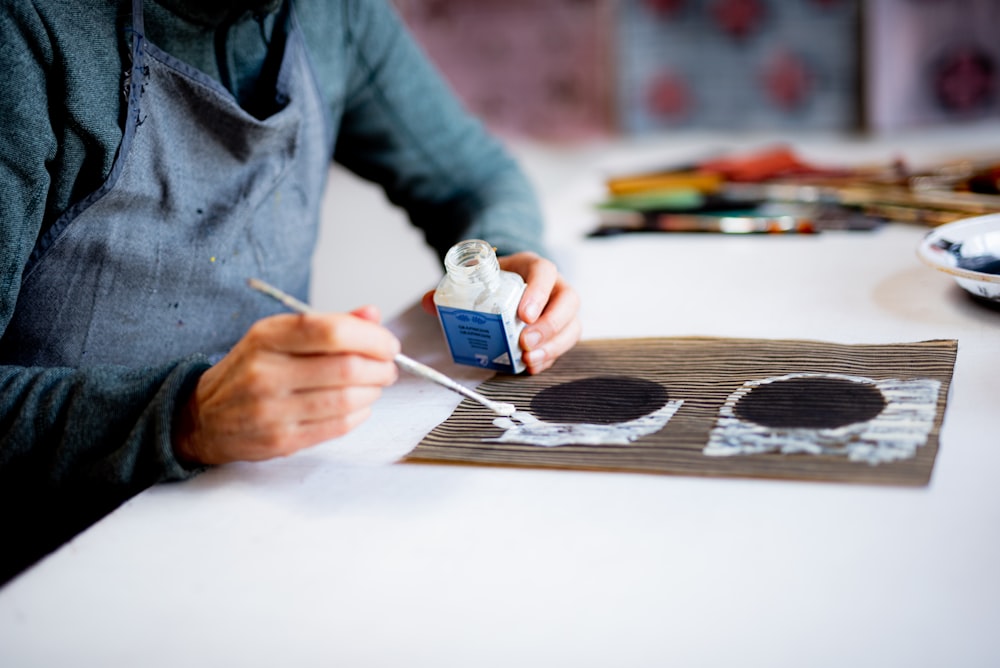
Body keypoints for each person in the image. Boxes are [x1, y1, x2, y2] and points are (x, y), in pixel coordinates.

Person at [0, 0, 581, 583]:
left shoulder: (335, 15)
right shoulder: (25, 31)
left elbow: (477, 179)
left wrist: (502, 261)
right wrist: (183, 416)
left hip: (258, 526)